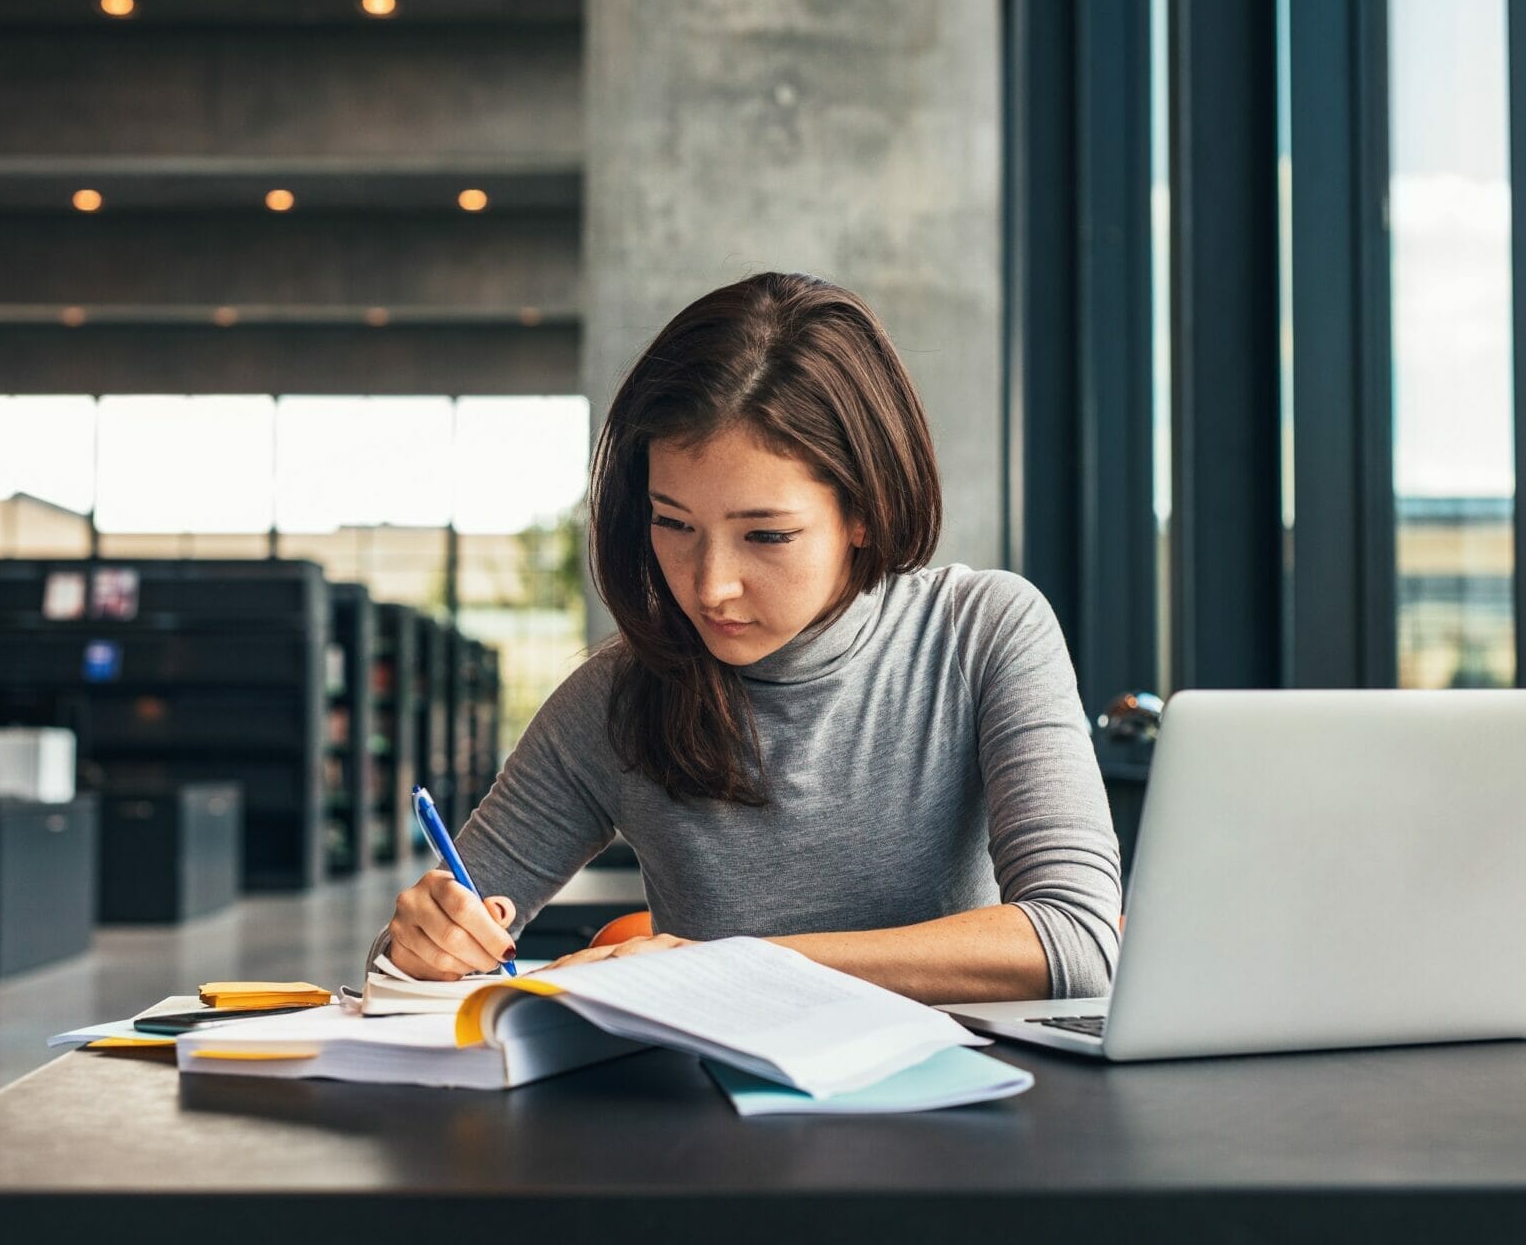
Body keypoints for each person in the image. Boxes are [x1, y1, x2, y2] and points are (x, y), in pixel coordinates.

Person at [375, 272, 1120, 1004]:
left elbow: (1077, 941)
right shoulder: (615, 697)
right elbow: (398, 971)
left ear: (865, 510)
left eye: (766, 534)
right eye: (674, 525)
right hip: (714, 1120)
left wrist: (726, 966)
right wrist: (421, 945)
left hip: (962, 1109)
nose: (709, 586)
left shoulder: (981, 632)